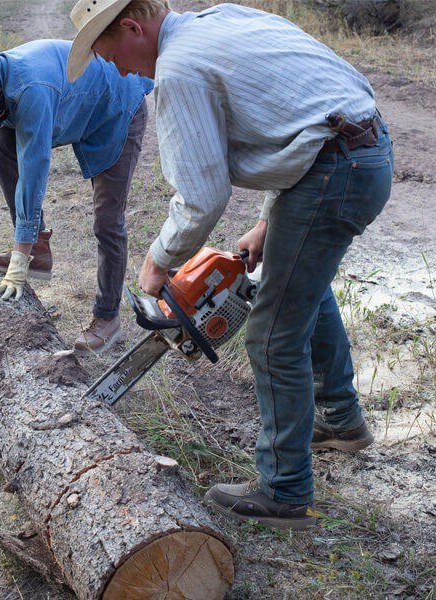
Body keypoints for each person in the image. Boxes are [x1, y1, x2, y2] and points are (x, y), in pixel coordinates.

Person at [66, 0, 394, 529]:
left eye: (114, 56)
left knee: (270, 333)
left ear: (132, 27)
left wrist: (157, 263)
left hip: (336, 171)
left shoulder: (177, 69)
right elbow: (306, 107)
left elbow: (201, 197)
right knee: (298, 285)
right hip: (363, 148)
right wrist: (269, 224)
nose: (122, 70)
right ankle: (339, 417)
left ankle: (285, 489)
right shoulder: (221, 18)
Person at [0, 33, 152, 354]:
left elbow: (34, 172)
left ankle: (107, 317)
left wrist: (17, 262)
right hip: (72, 108)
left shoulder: (31, 88)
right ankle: (38, 250)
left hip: (114, 107)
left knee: (107, 221)